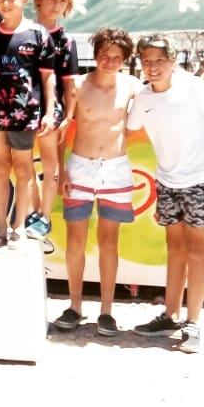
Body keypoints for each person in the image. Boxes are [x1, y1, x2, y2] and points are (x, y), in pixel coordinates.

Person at [128, 35, 204, 353]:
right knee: (175, 250)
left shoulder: (193, 87)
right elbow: (126, 130)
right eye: (147, 61)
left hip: (201, 180)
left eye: (160, 60)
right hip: (166, 182)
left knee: (197, 253)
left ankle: (193, 322)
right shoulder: (142, 97)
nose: (153, 67)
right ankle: (170, 316)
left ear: (173, 61)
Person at [54, 27, 141, 336]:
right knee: (75, 241)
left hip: (116, 170)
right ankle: (74, 306)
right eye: (104, 54)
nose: (109, 61)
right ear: (95, 54)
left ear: (125, 59)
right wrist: (62, 171)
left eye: (117, 57)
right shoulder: (77, 85)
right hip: (79, 168)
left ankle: (106, 310)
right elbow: (62, 128)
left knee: (109, 242)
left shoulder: (133, 86)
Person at [0, 0, 56, 248]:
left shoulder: (38, 35)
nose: (5, 3)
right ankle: (0, 228)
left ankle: (19, 227)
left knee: (23, 170)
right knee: (1, 167)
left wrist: (49, 113)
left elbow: (47, 77)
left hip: (25, 115)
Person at [29, 0, 79, 236]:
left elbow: (70, 86)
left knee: (50, 165)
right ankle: (32, 211)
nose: (56, 5)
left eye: (62, 0)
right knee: (23, 164)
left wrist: (68, 117)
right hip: (22, 108)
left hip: (53, 111)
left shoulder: (66, 41)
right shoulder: (23, 31)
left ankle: (44, 216)